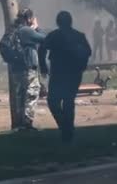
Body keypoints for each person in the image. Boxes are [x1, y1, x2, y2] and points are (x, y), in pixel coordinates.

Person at [39, 11, 91, 143]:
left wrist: (43, 66)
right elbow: (87, 52)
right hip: (73, 74)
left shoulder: (54, 36)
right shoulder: (79, 36)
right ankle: (67, 129)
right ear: (70, 21)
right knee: (68, 102)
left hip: (59, 73)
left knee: (53, 101)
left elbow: (42, 49)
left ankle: (65, 128)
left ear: (57, 22)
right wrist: (82, 66)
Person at [10, 8, 46, 131]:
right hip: (28, 67)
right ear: (29, 18)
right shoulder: (26, 31)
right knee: (32, 93)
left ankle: (20, 124)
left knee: (20, 95)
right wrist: (36, 27)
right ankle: (27, 123)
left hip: (16, 68)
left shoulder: (14, 31)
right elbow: (44, 38)